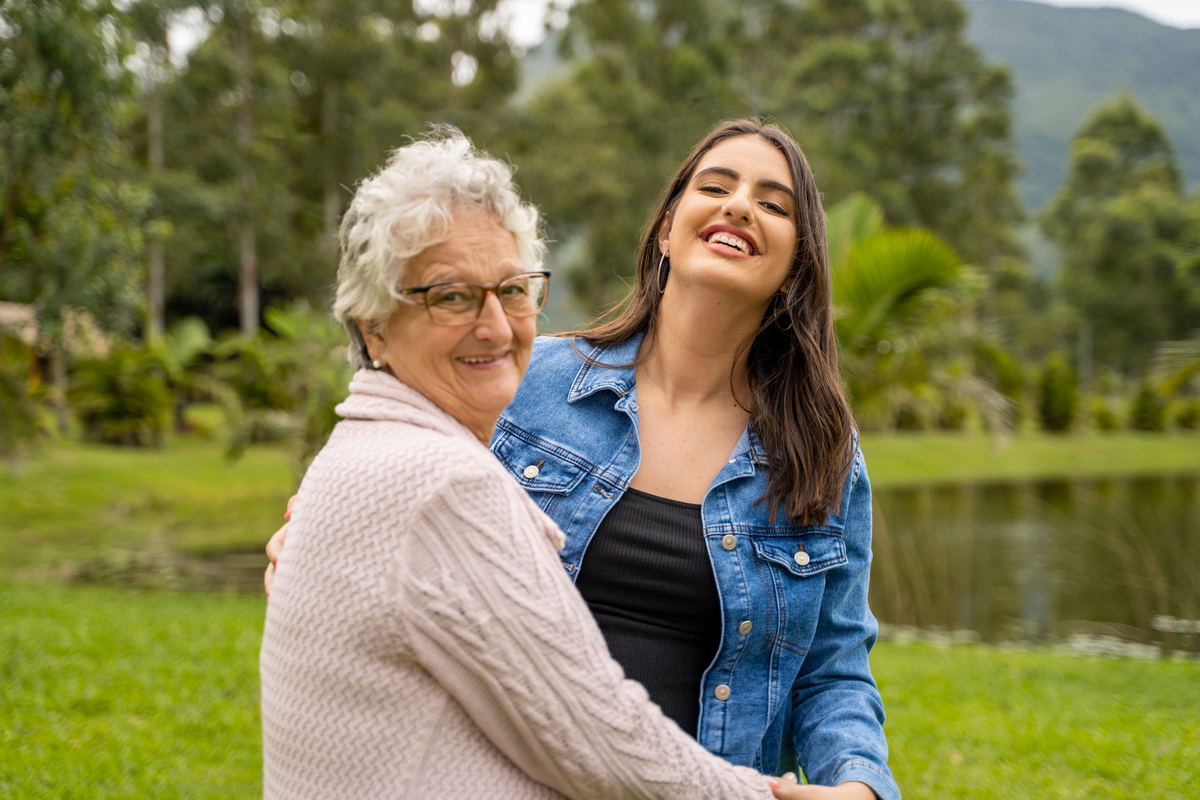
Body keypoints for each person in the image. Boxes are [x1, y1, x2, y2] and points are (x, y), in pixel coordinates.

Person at [267, 119, 899, 800]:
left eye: (774, 204)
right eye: (715, 186)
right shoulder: (520, 377)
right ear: (665, 228)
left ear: (796, 265)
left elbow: (833, 671)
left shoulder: (821, 455)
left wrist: (860, 786)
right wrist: (320, 547)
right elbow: (394, 482)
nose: (740, 205)